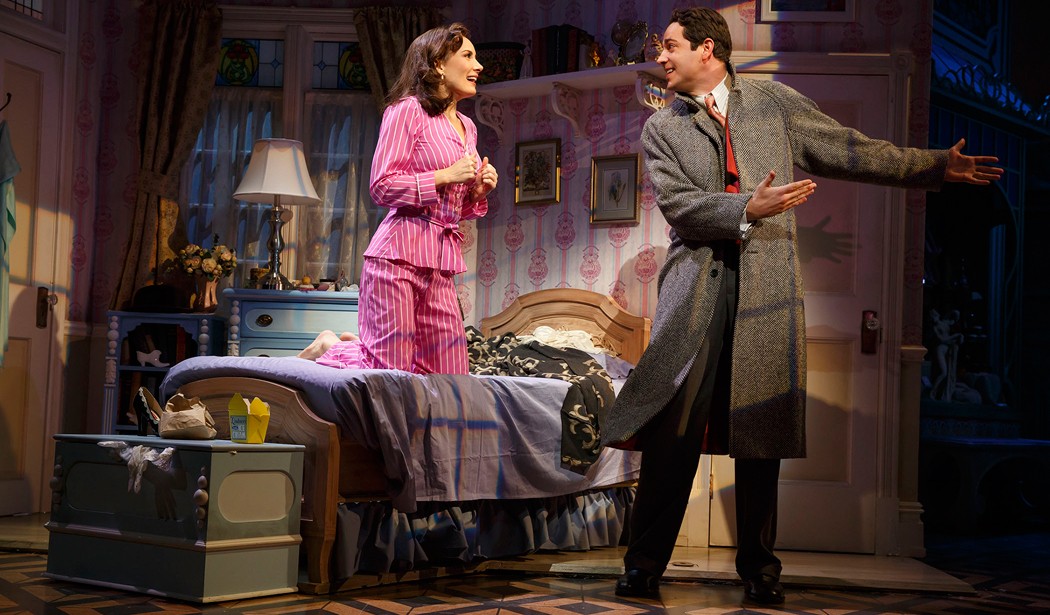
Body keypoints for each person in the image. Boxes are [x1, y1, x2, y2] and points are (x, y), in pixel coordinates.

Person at [603, 7, 1002, 605]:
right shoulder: (663, 127)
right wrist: (747, 208)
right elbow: (680, 207)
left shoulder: (772, 103)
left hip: (766, 287)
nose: (660, 57)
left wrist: (934, 166)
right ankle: (643, 566)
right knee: (674, 432)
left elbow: (850, 150)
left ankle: (760, 571)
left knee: (760, 431)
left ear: (707, 49)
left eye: (670, 46)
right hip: (697, 290)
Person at [299, 22, 498, 374]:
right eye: (468, 56)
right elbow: (382, 185)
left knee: (452, 376)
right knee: (391, 373)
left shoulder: (468, 127)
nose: (478, 66)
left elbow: (451, 206)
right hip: (396, 258)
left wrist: (476, 192)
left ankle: (350, 347)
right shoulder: (407, 111)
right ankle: (331, 347)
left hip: (440, 264)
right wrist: (444, 175)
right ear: (438, 63)